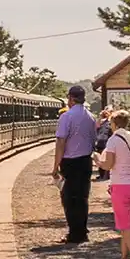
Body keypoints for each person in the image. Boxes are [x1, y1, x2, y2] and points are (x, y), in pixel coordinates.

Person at [94, 110, 130, 259]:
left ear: (114, 124)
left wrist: (97, 160)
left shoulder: (113, 140)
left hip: (120, 186)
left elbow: (108, 165)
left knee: (126, 228)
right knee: (126, 226)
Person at [52, 85, 97, 244]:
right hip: (85, 161)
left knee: (69, 198)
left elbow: (61, 142)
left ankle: (74, 234)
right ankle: (82, 230)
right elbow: (93, 140)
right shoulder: (91, 117)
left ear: (71, 98)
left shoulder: (66, 116)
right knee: (83, 197)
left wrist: (56, 166)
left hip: (70, 162)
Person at [93, 108, 115, 181]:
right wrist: (100, 117)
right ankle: (101, 174)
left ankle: (106, 175)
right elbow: (96, 126)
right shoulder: (102, 121)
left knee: (106, 158)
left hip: (107, 142)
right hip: (100, 142)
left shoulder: (112, 122)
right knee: (100, 158)